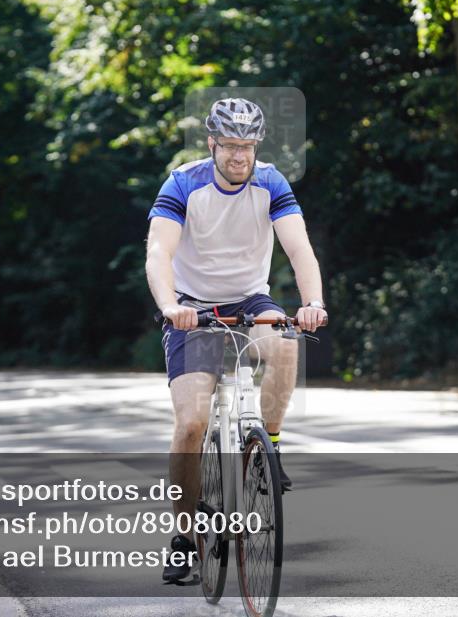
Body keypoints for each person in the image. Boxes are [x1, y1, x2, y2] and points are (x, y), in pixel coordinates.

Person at [145, 97, 327, 582]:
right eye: (229, 146)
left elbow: (299, 247)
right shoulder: (183, 183)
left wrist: (314, 302)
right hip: (192, 306)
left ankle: (267, 445)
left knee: (285, 345)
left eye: (247, 146)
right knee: (190, 424)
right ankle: (184, 537)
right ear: (212, 144)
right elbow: (159, 253)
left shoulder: (270, 181)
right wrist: (170, 306)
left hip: (250, 299)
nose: (239, 156)